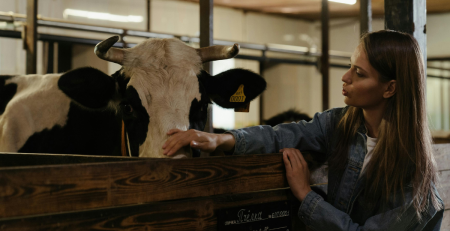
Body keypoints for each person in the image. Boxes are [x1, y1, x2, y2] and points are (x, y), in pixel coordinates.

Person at [162, 30, 444, 230]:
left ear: (390, 88)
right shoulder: (340, 123)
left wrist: (305, 195)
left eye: (359, 73)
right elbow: (283, 134)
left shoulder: (415, 179)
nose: (345, 77)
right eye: (349, 67)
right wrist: (220, 139)